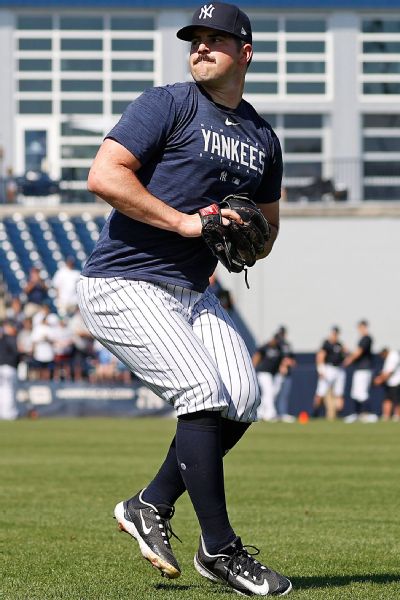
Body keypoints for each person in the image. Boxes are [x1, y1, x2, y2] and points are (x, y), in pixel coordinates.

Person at [77, 2, 291, 596]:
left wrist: (246, 232)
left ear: (244, 53)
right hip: (124, 279)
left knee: (243, 400)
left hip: (191, 294)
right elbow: (105, 175)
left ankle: (149, 503)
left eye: (215, 38)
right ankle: (220, 550)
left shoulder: (262, 138)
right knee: (200, 392)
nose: (200, 46)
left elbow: (266, 235)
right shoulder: (167, 104)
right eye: (194, 38)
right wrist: (186, 223)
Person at [343, 320, 376, 423]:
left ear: (364, 327)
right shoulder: (362, 339)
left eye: (361, 327)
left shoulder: (366, 338)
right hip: (359, 369)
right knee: (355, 393)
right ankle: (356, 414)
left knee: (362, 393)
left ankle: (369, 414)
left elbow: (358, 352)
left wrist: (349, 359)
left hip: (364, 369)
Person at [312, 326, 347, 420]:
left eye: (336, 334)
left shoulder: (340, 344)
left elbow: (345, 354)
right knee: (321, 392)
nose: (335, 336)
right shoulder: (326, 344)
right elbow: (320, 356)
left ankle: (338, 415)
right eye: (334, 333)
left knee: (339, 393)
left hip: (339, 369)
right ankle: (314, 413)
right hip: (328, 369)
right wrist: (321, 370)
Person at [252, 335, 283, 422]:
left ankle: (260, 413)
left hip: (273, 374)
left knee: (269, 393)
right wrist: (252, 368)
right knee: (269, 392)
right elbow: (257, 357)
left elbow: (281, 360)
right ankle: (271, 414)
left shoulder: (279, 348)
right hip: (263, 373)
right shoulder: (265, 347)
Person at [274, 326, 296, 422]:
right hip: (276, 374)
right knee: (273, 394)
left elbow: (293, 360)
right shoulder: (276, 345)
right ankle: (271, 413)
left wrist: (288, 362)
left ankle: (282, 413)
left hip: (287, 374)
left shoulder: (287, 345)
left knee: (284, 395)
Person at [373, 348, 400, 422]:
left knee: (397, 401)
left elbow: (390, 371)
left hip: (395, 382)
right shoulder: (389, 358)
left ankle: (397, 416)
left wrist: (380, 379)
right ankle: (386, 416)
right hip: (389, 383)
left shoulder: (393, 357)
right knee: (387, 399)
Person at [0, 319, 19, 420]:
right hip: (8, 367)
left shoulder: (4, 339)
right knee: (8, 390)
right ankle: (9, 414)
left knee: (3, 390)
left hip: (4, 367)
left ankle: (4, 413)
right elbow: (17, 352)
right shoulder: (10, 338)